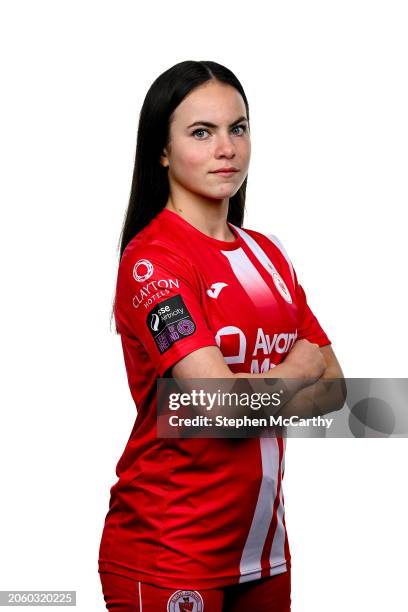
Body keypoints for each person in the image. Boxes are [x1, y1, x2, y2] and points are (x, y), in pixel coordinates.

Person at [98, 60, 345, 611]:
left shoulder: (268, 254)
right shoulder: (152, 262)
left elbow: (336, 389)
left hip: (263, 555)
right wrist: (295, 372)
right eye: (201, 132)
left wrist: (250, 394)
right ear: (161, 151)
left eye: (238, 128)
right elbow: (215, 408)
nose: (226, 148)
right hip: (168, 551)